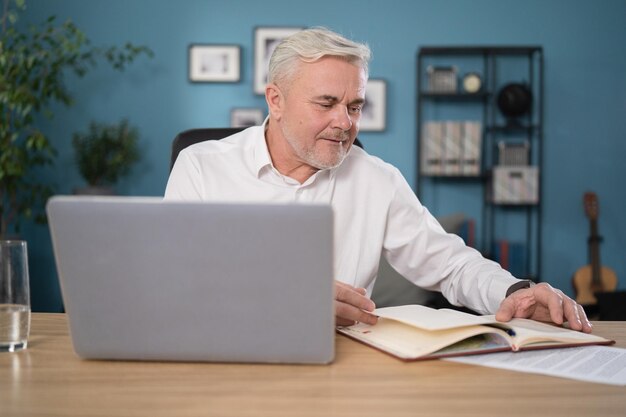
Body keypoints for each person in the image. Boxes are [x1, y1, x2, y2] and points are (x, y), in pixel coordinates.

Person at [165, 27, 592, 333]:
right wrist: (285, 303)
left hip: (344, 363)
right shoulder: (201, 167)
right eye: (327, 103)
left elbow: (450, 263)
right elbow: (174, 284)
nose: (344, 123)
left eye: (354, 106)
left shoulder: (376, 179)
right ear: (275, 100)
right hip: (225, 354)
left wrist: (516, 291)